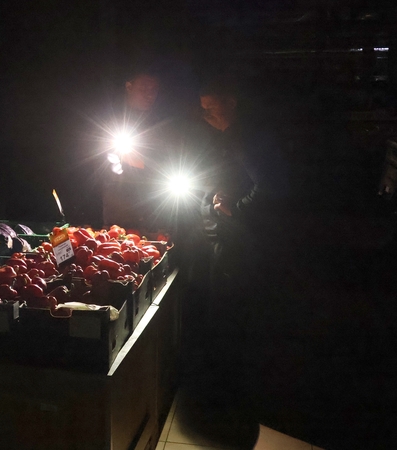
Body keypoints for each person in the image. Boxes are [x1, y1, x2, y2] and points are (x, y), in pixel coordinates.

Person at [192, 78, 289, 403]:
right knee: (227, 302)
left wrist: (236, 210)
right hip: (231, 235)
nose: (206, 114)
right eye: (203, 108)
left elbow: (273, 187)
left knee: (230, 304)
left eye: (211, 107)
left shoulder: (248, 138)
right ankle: (229, 372)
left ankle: (229, 380)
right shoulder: (230, 135)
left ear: (231, 101)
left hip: (240, 240)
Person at [102, 67, 180, 231]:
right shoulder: (112, 119)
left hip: (156, 204)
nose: (149, 94)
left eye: (153, 90)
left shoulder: (162, 122)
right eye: (143, 88)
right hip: (121, 205)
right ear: (129, 87)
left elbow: (170, 159)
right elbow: (106, 162)